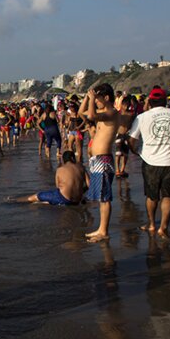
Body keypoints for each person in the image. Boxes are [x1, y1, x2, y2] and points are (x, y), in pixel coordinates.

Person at [128, 87, 170, 239]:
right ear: (165, 100)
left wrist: (138, 151)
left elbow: (132, 140)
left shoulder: (142, 117)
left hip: (150, 161)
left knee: (152, 196)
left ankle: (152, 224)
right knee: (168, 196)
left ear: (150, 101)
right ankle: (163, 228)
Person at [78, 84, 119, 243]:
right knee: (101, 196)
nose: (95, 103)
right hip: (97, 159)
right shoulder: (101, 112)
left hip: (104, 159)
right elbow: (82, 113)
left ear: (106, 98)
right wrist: (88, 98)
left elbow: (91, 117)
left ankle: (104, 231)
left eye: (98, 99)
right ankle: (101, 229)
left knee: (105, 197)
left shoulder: (111, 112)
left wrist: (92, 99)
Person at [13, 151, 88, 205]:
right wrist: (80, 191)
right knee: (52, 197)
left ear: (63, 160)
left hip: (64, 199)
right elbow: (89, 185)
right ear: (73, 158)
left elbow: (58, 187)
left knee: (37, 196)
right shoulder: (82, 167)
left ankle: (14, 201)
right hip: (77, 200)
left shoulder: (60, 169)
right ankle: (49, 202)